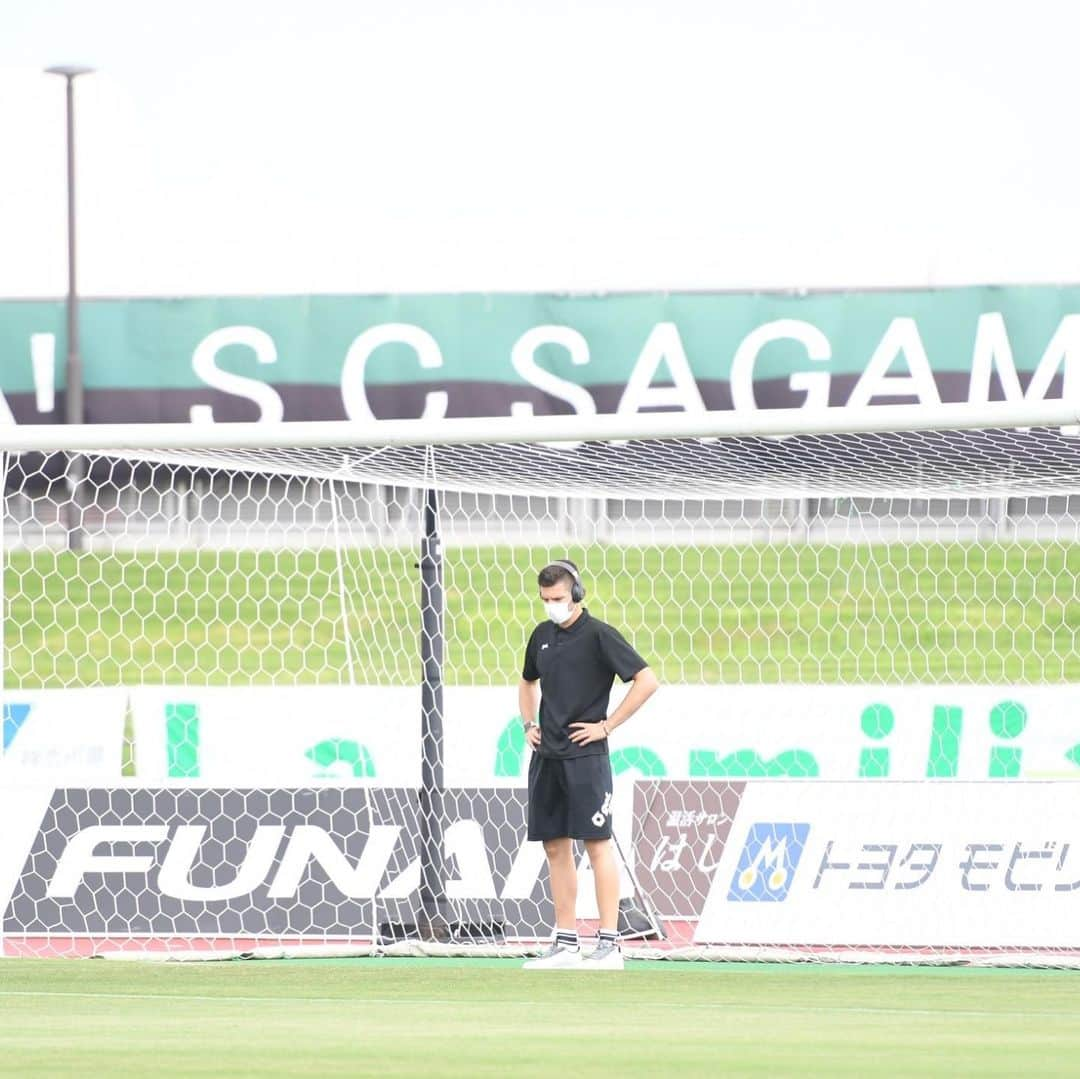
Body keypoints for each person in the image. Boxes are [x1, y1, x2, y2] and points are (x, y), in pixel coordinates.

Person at [519, 559, 659, 970]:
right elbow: (527, 681)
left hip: (586, 758)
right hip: (548, 757)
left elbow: (647, 680)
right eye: (545, 599)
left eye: (558, 598)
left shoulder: (599, 635)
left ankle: (610, 943)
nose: (551, 606)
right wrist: (529, 723)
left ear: (576, 594)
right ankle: (565, 942)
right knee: (554, 847)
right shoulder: (541, 636)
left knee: (597, 846)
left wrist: (607, 726)